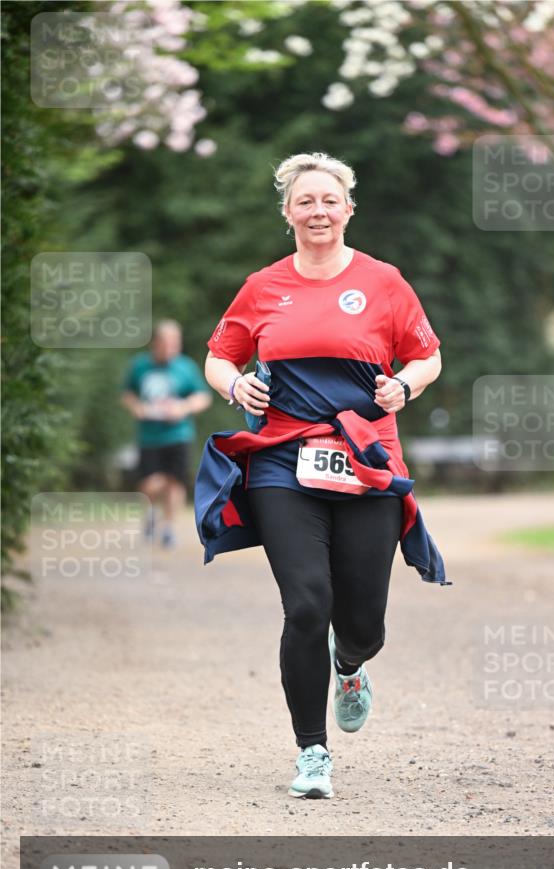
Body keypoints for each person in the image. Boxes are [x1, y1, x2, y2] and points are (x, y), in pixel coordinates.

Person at [197, 152, 447, 800]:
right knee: (306, 605)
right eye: (304, 201)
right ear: (287, 213)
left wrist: (401, 385)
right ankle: (312, 752)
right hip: (282, 457)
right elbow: (219, 356)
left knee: (362, 622)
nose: (317, 211)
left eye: (328, 201)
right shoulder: (262, 286)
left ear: (347, 210)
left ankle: (350, 665)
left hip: (364, 459)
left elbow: (426, 355)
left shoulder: (384, 282)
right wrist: (236, 386)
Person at [121, 320, 211, 547]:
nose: (172, 347)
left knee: (176, 482)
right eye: (168, 343)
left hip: (179, 434)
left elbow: (203, 397)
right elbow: (127, 394)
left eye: (176, 343)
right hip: (149, 436)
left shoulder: (185, 367)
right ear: (156, 343)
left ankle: (169, 528)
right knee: (150, 483)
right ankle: (151, 514)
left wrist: (183, 408)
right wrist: (137, 408)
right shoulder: (140, 365)